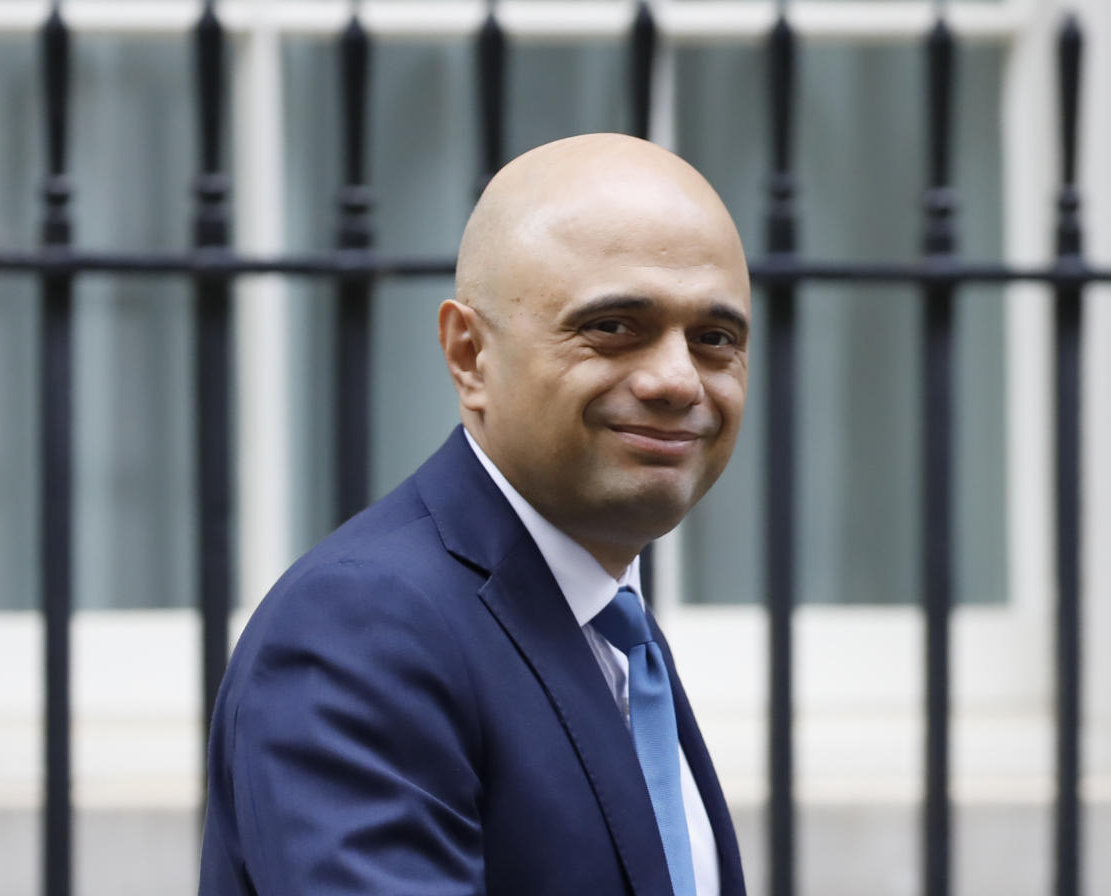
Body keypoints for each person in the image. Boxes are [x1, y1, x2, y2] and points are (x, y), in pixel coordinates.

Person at [199, 133, 752, 896]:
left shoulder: (614, 631)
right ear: (468, 354)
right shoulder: (362, 629)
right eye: (614, 327)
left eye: (715, 339)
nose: (676, 379)